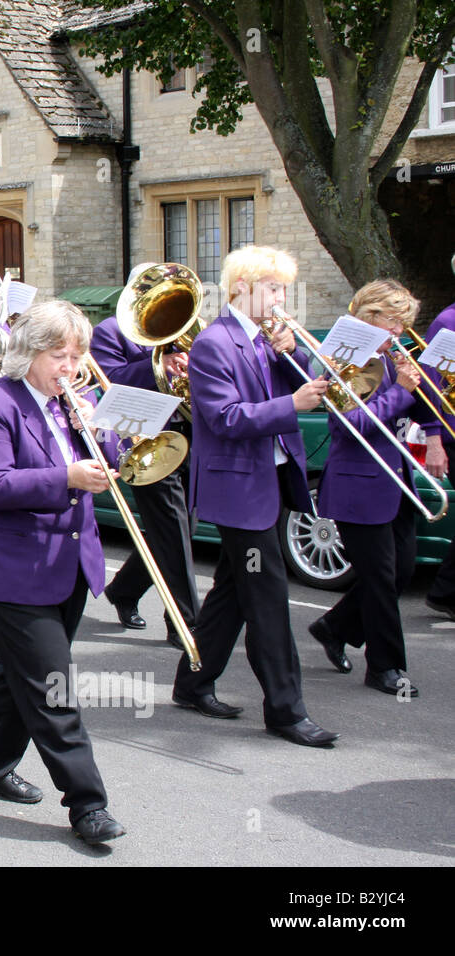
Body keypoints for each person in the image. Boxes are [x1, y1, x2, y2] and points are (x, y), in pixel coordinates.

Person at [0, 300, 125, 844]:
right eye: (58, 355)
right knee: (54, 687)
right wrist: (67, 475)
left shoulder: (74, 403)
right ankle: (87, 804)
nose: (69, 367)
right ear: (27, 353)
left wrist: (107, 434)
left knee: (20, 680)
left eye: (76, 355)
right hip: (10, 572)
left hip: (67, 566)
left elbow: (109, 462)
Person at [171, 246, 339, 747]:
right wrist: (291, 405)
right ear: (241, 286)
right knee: (267, 600)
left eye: (284, 288)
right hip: (238, 488)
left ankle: (193, 680)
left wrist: (293, 353)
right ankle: (287, 712)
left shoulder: (267, 339)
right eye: (273, 287)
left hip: (271, 480)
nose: (281, 297)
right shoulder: (214, 344)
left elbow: (308, 382)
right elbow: (225, 419)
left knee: (233, 593)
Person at [311, 280, 430, 697]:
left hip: (396, 480)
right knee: (380, 579)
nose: (399, 330)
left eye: (404, 322)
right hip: (358, 484)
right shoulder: (345, 357)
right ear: (369, 316)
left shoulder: (392, 356)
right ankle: (385, 667)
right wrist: (401, 391)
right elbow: (353, 425)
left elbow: (422, 406)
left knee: (402, 571)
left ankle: (335, 626)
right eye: (394, 320)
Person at [90, 305, 199, 649]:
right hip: (147, 441)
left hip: (191, 437)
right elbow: (109, 383)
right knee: (174, 532)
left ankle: (125, 589)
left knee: (181, 530)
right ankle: (185, 622)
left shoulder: (188, 326)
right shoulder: (111, 331)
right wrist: (159, 366)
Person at [420, 250, 455, 619]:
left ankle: (446, 591)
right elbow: (431, 384)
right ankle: (445, 592)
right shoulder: (448, 321)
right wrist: (434, 439)